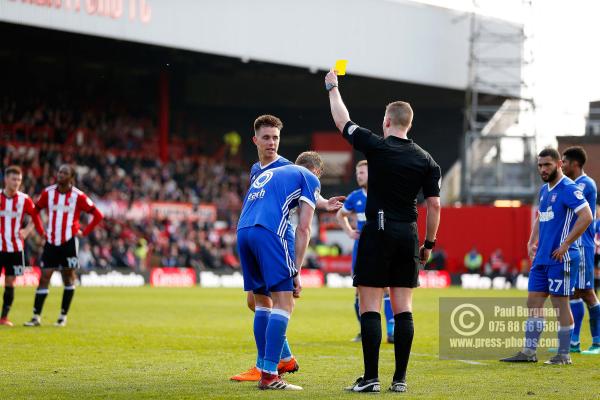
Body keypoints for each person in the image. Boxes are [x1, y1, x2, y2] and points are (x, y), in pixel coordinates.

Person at [325, 70, 442, 393]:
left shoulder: (377, 147)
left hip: (376, 230)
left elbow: (342, 121)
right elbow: (434, 206)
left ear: (387, 121)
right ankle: (400, 380)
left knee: (370, 305)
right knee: (403, 306)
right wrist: (429, 243)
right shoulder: (427, 160)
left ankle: (371, 378)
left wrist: (333, 87)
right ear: (410, 124)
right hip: (409, 234)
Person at [231, 115, 344, 382]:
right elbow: (303, 191)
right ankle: (280, 360)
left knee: (270, 302)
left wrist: (324, 202)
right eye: (267, 137)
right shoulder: (257, 170)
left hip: (264, 232)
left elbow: (307, 191)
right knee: (262, 302)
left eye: (275, 138)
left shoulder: (285, 167)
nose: (271, 143)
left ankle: (267, 365)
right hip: (266, 232)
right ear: (255, 140)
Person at [237, 151, 323, 391]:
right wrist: (296, 270)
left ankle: (267, 366)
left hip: (244, 231)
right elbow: (304, 228)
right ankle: (270, 376)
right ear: (317, 172)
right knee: (285, 302)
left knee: (262, 302)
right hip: (269, 231)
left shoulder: (274, 172)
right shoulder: (310, 178)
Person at [500, 148, 593, 365]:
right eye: (540, 165)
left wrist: (566, 243)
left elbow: (586, 216)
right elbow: (541, 216)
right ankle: (529, 352)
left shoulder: (569, 188)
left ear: (560, 164)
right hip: (542, 257)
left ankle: (564, 354)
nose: (543, 169)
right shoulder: (544, 190)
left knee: (560, 304)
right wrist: (531, 240)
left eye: (547, 165)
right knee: (533, 303)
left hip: (562, 257)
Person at [24, 164, 104, 327]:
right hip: (51, 242)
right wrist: (40, 231)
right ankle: (35, 316)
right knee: (44, 277)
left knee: (68, 278)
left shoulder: (78, 196)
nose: (60, 174)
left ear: (71, 178)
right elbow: (34, 211)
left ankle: (62, 316)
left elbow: (98, 215)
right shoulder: (48, 192)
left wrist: (85, 232)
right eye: (59, 171)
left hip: (69, 243)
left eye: (64, 173)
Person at [336, 160, 395, 343]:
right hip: (361, 249)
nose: (359, 176)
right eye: (358, 172)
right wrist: (349, 232)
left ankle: (391, 331)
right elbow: (341, 215)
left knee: (386, 287)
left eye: (362, 172)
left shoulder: (384, 195)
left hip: (381, 247)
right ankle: (365, 330)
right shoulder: (355, 196)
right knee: (359, 290)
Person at [560, 146, 600, 354]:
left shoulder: (584, 184)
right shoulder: (574, 184)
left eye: (564, 162)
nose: (562, 165)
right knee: (574, 292)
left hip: (583, 245)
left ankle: (597, 342)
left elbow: (570, 207)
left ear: (574, 164)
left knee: (587, 292)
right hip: (574, 245)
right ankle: (573, 343)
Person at [0, 166, 45, 327]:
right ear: (6, 179)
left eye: (19, 179)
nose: (16, 182)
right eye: (13, 179)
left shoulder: (24, 199)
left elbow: (36, 216)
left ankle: (4, 317)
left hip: (16, 249)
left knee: (10, 282)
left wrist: (27, 230)